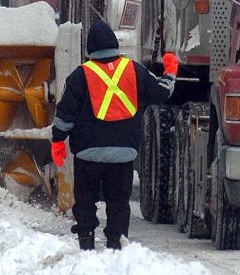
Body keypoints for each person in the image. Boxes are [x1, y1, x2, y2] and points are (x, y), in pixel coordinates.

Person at [51, 20, 179, 251]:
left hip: (88, 154)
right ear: (114, 44)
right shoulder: (134, 69)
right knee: (119, 204)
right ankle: (116, 246)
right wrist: (170, 73)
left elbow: (65, 114)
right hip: (123, 154)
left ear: (90, 49)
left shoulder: (80, 75)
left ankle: (87, 241)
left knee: (86, 201)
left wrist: (58, 139)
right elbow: (161, 93)